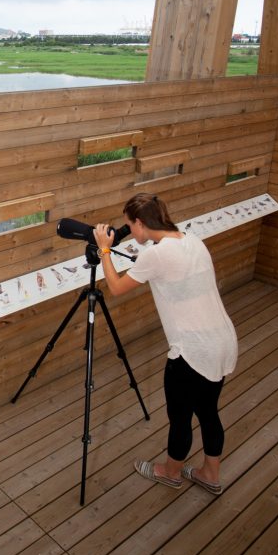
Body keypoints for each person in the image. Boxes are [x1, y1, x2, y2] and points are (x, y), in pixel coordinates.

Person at [92, 192, 237, 495]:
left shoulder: (155, 255)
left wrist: (105, 250)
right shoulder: (192, 241)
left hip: (192, 352)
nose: (130, 231)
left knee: (180, 417)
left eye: (130, 225)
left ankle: (170, 472)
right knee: (208, 411)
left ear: (141, 224)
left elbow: (116, 287)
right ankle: (210, 474)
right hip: (221, 341)